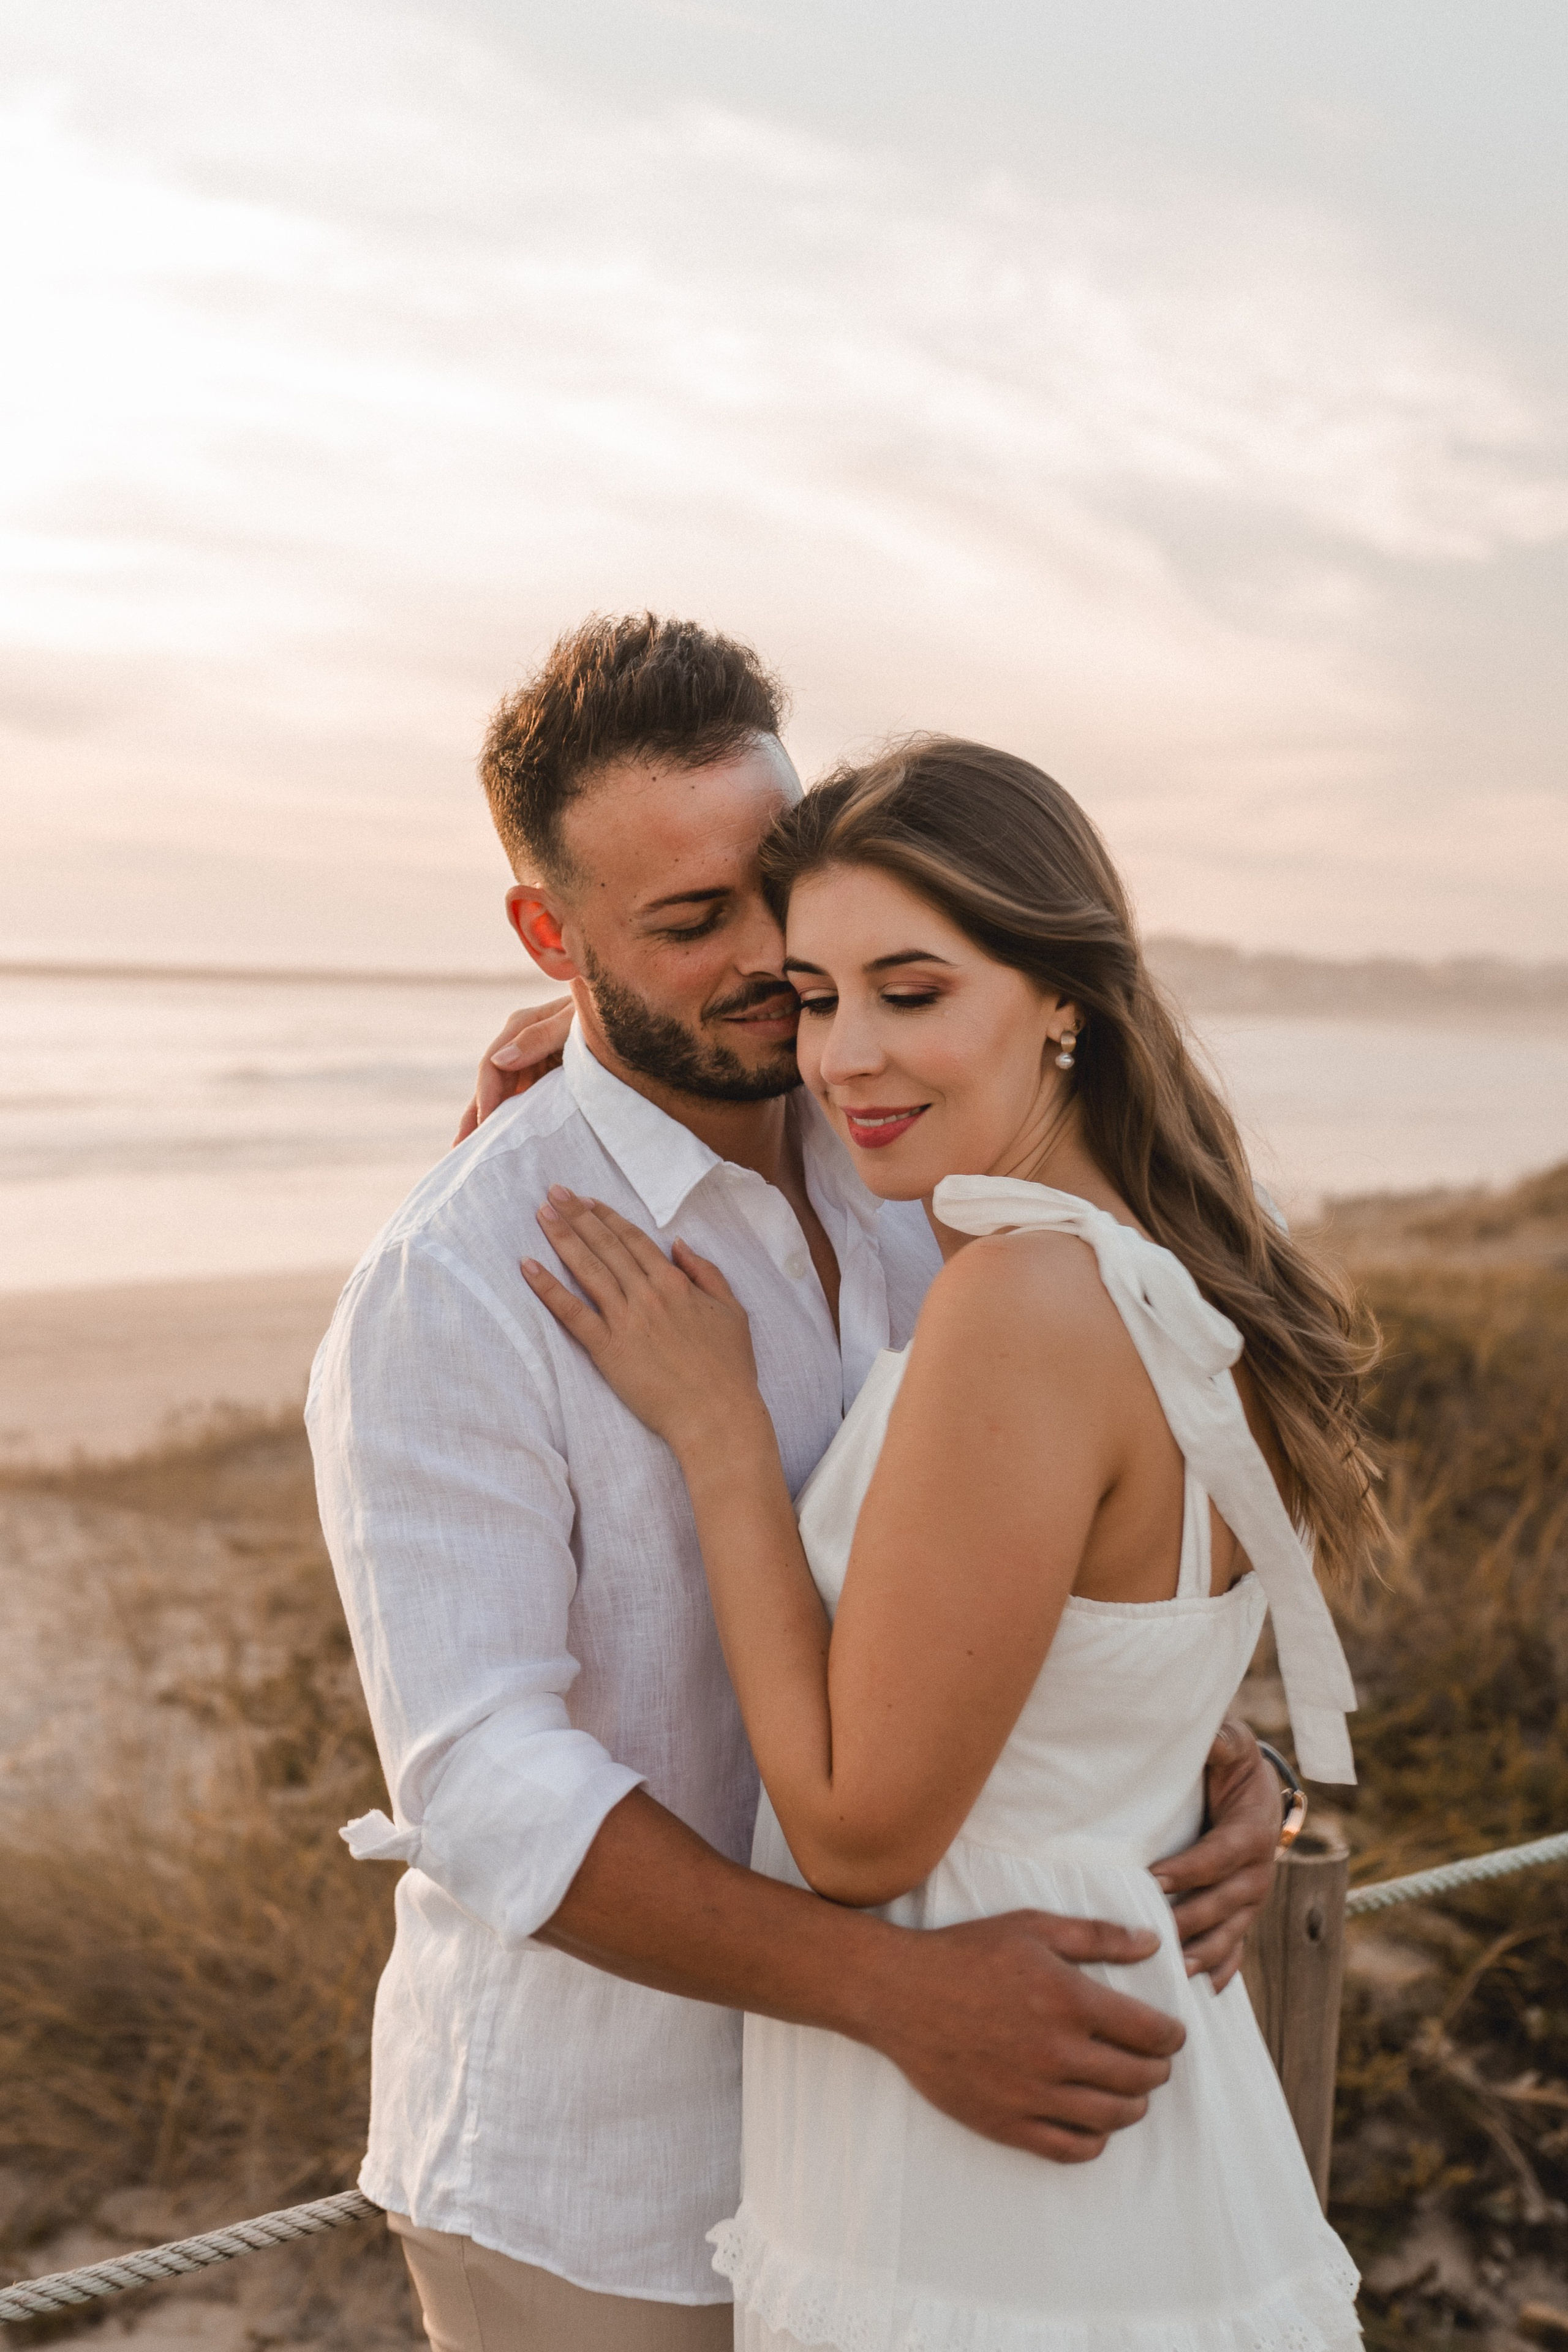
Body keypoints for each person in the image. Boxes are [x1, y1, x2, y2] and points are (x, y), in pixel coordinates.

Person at [307, 617, 1284, 2352]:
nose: (774, 958)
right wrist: (893, 1996)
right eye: (691, 925)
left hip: (930, 2154)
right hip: (607, 2182)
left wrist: (1189, 1750)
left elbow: (1016, 1562)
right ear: (552, 936)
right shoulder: (456, 1281)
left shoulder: (915, 1154)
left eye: (783, 888)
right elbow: (482, 1780)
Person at [518, 736, 1375, 2352]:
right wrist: (579, 1056)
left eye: (912, 992)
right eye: (817, 996)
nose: (845, 1056)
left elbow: (855, 1835)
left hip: (991, 2155)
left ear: (1063, 996)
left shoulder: (1019, 1298)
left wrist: (718, 1440)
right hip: (1124, 2099)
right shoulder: (1156, 1264)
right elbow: (1087, 1659)